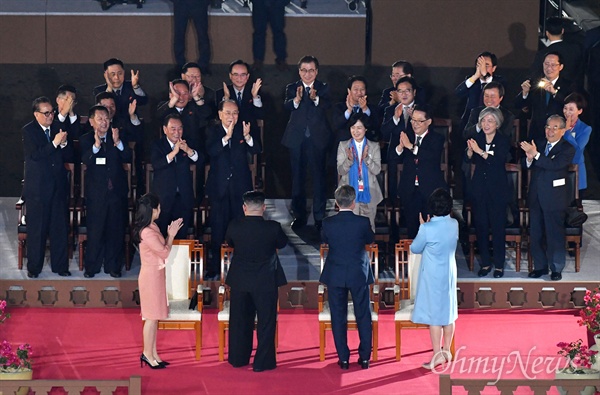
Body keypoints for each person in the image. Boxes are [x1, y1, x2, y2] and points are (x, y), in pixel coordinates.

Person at [224, 190, 288, 372]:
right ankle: (263, 362)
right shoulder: (273, 227)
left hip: (240, 280)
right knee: (266, 322)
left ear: (244, 207)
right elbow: (282, 244)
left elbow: (229, 242)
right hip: (265, 280)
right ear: (263, 208)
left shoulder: (234, 225)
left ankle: (238, 358)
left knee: (239, 320)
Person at [320, 184, 374, 370]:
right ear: (353, 202)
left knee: (338, 315)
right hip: (358, 272)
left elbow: (324, 239)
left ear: (336, 202)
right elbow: (370, 239)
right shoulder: (362, 222)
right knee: (363, 314)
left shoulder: (328, 223)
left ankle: (343, 358)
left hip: (335, 273)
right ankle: (365, 357)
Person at [205, 100, 262, 279]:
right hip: (219, 187)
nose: (232, 117)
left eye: (235, 113)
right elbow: (210, 152)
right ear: (220, 114)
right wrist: (225, 138)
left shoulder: (243, 129)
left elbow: (257, 149)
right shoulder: (212, 131)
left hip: (240, 187)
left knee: (241, 228)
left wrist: (248, 138)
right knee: (218, 228)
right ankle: (214, 267)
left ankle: (241, 265)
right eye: (228, 113)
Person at [22, 97, 74, 278]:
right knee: (37, 229)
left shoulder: (58, 128)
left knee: (59, 228)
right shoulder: (29, 131)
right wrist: (55, 143)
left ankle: (60, 266)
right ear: (36, 114)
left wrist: (64, 143)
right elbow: (36, 155)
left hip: (58, 187)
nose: (50, 116)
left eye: (52, 112)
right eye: (46, 113)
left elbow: (68, 155)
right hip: (38, 189)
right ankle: (34, 268)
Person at [520, 115, 575, 281]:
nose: (550, 131)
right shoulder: (539, 143)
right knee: (536, 235)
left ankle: (556, 268)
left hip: (555, 197)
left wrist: (535, 155)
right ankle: (540, 267)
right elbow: (525, 164)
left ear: (563, 131)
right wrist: (529, 159)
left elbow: (554, 165)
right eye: (548, 127)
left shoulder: (567, 148)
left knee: (554, 235)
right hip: (536, 196)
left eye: (555, 127)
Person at [80, 105, 132, 278]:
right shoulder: (86, 139)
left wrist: (117, 143)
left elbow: (127, 157)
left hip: (116, 193)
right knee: (95, 231)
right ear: (92, 121)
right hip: (96, 195)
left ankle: (113, 266)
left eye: (107, 118)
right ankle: (92, 267)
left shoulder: (116, 136)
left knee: (115, 231)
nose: (104, 122)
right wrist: (96, 145)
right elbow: (85, 159)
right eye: (100, 118)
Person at [132, 192, 183, 369]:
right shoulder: (147, 232)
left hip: (157, 274)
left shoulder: (152, 226)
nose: (160, 210)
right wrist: (171, 235)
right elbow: (164, 252)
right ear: (152, 210)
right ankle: (147, 354)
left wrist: (169, 234)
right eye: (158, 207)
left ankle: (153, 353)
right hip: (150, 277)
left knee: (155, 318)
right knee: (151, 317)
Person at [282, 55, 332, 231]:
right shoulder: (292, 88)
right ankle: (299, 216)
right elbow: (287, 106)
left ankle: (319, 217)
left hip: (317, 139)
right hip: (297, 139)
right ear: (299, 72)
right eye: (304, 70)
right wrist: (296, 100)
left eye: (311, 70)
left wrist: (315, 98)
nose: (307, 74)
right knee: (298, 179)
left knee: (319, 179)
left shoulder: (323, 88)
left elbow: (327, 105)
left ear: (316, 72)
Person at [410, 188, 458, 370]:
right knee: (448, 311)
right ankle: (447, 350)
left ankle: (437, 354)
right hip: (449, 272)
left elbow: (415, 248)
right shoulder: (454, 223)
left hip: (433, 275)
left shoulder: (427, 228)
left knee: (435, 317)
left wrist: (424, 226)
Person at [465, 107, 511, 278]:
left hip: (497, 190)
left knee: (498, 228)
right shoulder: (477, 138)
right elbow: (467, 159)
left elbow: (498, 161)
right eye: (483, 120)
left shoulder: (503, 140)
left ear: (497, 123)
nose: (486, 124)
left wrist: (479, 152)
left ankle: (499, 264)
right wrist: (470, 152)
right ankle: (485, 263)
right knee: (481, 227)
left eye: (490, 121)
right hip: (479, 189)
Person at [395, 105, 447, 239]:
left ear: (428, 122)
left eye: (419, 121)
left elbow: (431, 156)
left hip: (430, 190)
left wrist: (411, 147)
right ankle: (414, 258)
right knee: (412, 228)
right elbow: (394, 158)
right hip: (410, 189)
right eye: (413, 120)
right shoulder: (407, 136)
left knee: (430, 228)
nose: (415, 124)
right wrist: (400, 148)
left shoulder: (437, 138)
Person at [151, 114, 201, 239]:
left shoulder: (187, 142)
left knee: (181, 235)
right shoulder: (158, 145)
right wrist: (174, 152)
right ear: (165, 129)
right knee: (162, 234)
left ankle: (180, 258)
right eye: (173, 129)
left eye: (180, 129)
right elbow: (157, 164)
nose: (177, 132)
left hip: (183, 196)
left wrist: (189, 150)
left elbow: (200, 160)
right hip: (164, 197)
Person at [336, 113, 383, 231]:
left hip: (369, 191)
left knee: (369, 227)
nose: (355, 131)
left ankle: (369, 249)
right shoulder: (343, 146)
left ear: (365, 129)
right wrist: (349, 160)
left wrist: (366, 158)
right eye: (353, 128)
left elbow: (377, 170)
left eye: (359, 128)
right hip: (349, 195)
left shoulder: (373, 146)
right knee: (350, 229)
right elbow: (340, 170)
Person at [516, 52, 573, 142]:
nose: (549, 68)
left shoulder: (568, 85)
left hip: (557, 134)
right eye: (546, 64)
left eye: (553, 65)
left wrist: (555, 93)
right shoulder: (534, 83)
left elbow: (570, 105)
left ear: (561, 67)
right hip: (537, 133)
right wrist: (525, 93)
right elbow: (519, 105)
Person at [380, 76, 419, 205]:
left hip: (415, 151)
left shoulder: (422, 109)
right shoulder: (390, 110)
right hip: (397, 152)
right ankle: (393, 206)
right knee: (391, 161)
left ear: (414, 92)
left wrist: (415, 119)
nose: (404, 94)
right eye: (400, 91)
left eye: (407, 90)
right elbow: (384, 132)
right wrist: (395, 118)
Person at [455, 51, 504, 132]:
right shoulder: (472, 80)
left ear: (494, 68)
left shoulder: (500, 81)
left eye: (486, 65)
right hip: (470, 124)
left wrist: (485, 75)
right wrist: (475, 76)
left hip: (492, 124)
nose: (482, 68)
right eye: (479, 65)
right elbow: (458, 93)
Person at [529, 17, 584, 87]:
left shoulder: (543, 53)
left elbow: (535, 74)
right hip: (574, 91)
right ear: (562, 31)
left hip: (551, 90)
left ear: (547, 33)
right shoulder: (577, 49)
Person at [332, 75, 378, 145]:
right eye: (356, 89)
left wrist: (365, 109)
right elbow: (336, 125)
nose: (359, 93)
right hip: (343, 148)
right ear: (349, 91)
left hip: (366, 147)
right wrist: (349, 110)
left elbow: (374, 126)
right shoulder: (339, 107)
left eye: (362, 89)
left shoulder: (372, 108)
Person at [562, 92, 592, 194]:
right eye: (565, 108)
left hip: (575, 169)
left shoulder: (585, 129)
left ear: (579, 111)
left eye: (571, 109)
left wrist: (566, 131)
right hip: (559, 167)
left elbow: (577, 149)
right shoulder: (558, 124)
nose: (567, 112)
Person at [250, 0, 289, 71]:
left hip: (277, 4)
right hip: (259, 4)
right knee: (259, 32)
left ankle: (281, 60)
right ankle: (258, 60)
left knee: (278, 32)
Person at [172, 0, 211, 71]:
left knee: (202, 36)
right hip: (181, 5)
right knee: (179, 35)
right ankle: (180, 65)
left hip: (200, 4)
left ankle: (204, 65)